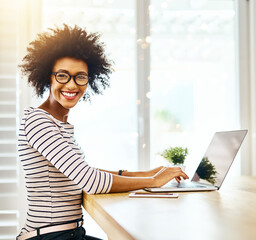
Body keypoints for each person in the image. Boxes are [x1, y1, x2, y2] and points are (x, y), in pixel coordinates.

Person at [17, 24, 188, 240]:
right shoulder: (38, 122)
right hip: (48, 237)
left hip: (67, 235)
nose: (71, 85)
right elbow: (90, 181)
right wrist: (153, 181)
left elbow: (81, 170)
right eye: (62, 76)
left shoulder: (57, 123)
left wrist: (148, 173)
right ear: (47, 77)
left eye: (80, 77)